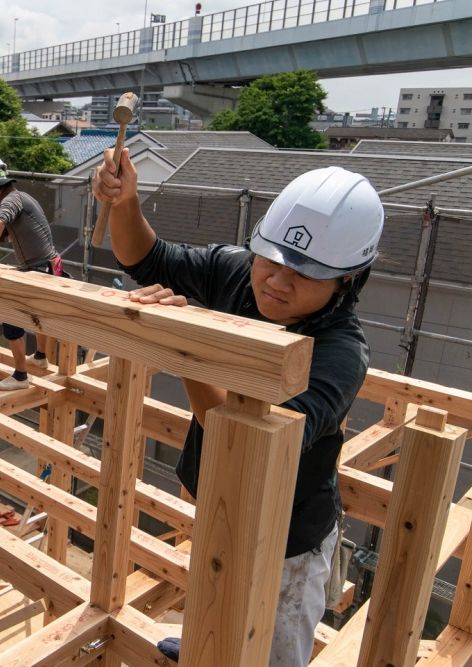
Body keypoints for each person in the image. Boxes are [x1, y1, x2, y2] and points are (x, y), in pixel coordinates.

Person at [93, 152, 383, 666]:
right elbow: (147, 259)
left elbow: (252, 437)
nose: (277, 281)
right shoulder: (238, 273)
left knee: (271, 650)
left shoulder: (340, 352)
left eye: (305, 274)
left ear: (347, 281)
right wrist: (126, 202)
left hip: (288, 538)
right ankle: (209, 642)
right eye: (271, 260)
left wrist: (187, 351)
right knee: (216, 586)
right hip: (221, 496)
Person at [0, 153, 64, 391]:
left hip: (39, 268)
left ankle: (21, 376)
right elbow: (9, 230)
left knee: (9, 313)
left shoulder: (11, 200)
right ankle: (41, 357)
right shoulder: (22, 198)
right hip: (48, 267)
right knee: (39, 315)